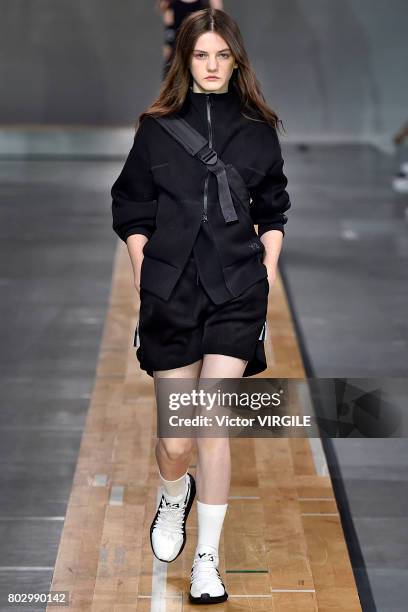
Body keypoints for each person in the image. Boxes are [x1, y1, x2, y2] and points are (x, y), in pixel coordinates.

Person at [111, 7, 291, 605]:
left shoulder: (259, 130)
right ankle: (172, 491)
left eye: (221, 55)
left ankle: (207, 561)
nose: (212, 66)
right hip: (172, 292)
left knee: (211, 422)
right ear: (184, 61)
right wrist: (144, 269)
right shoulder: (157, 129)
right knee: (177, 438)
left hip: (236, 292)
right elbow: (132, 207)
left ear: (236, 58)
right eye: (200, 55)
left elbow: (274, 209)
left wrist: (264, 273)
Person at [155, 0, 224, 78]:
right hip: (179, 48)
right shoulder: (170, 3)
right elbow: (169, 29)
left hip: (202, 46)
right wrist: (168, 47)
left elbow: (218, 21)